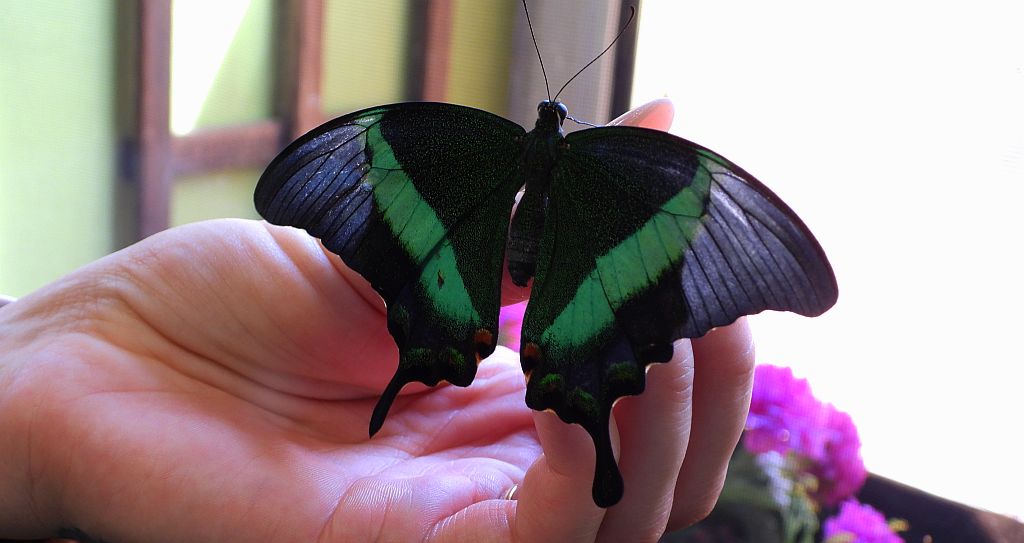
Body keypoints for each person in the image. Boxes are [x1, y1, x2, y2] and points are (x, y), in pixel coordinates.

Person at [0, 100, 755, 542]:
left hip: (469, 280)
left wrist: (43, 352)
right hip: (539, 287)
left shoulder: (458, 145)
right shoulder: (596, 164)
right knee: (594, 415)